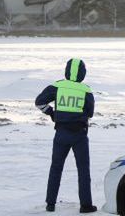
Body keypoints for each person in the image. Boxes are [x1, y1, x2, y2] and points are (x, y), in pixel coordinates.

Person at [35, 58, 97, 213]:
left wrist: (52, 113)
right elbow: (90, 113)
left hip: (61, 134)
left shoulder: (56, 86)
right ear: (83, 73)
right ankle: (86, 205)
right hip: (80, 136)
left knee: (55, 168)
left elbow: (39, 102)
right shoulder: (86, 90)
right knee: (83, 170)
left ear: (67, 71)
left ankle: (50, 204)